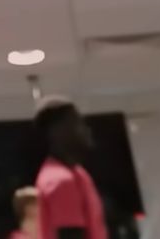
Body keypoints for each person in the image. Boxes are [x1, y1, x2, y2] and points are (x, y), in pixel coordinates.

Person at [33, 98, 106, 239]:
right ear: (57, 132)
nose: (86, 129)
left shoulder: (77, 173)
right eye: (77, 122)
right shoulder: (60, 180)